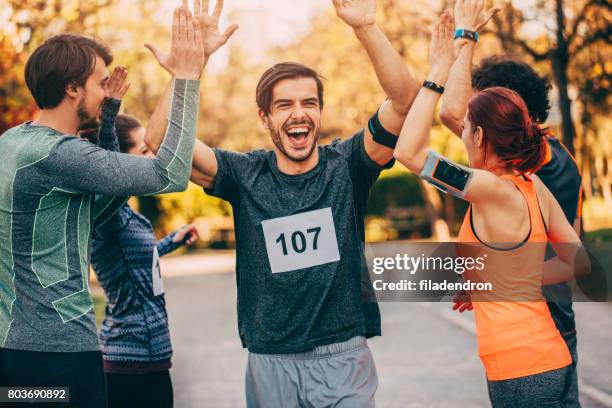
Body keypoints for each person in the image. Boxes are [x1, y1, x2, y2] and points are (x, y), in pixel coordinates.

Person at [145, 0, 420, 405]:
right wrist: (190, 70)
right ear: (265, 118)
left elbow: (404, 101)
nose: (299, 114)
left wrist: (366, 28)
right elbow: (160, 141)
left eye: (309, 103)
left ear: (320, 111)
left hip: (343, 354)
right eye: (284, 105)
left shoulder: (347, 165)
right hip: (270, 359)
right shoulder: (243, 175)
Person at [0, 5, 205, 407]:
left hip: (15, 355)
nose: (108, 89)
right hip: (61, 359)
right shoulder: (60, 155)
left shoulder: (13, 144)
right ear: (72, 88)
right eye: (99, 83)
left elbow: (101, 208)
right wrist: (187, 77)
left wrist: (107, 113)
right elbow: (172, 174)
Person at [393, 7, 588, 407]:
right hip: (547, 356)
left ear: (480, 135)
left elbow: (409, 153)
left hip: (523, 368)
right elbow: (578, 261)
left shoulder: (486, 187)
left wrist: (436, 74)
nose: (460, 133)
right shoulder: (533, 185)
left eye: (466, 128)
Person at [88, 84, 198, 407]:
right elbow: (110, 171)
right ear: (122, 160)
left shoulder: (125, 214)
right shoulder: (106, 211)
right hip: (128, 363)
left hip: (152, 358)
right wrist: (109, 118)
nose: (153, 157)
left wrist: (169, 243)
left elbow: (132, 263)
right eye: (144, 151)